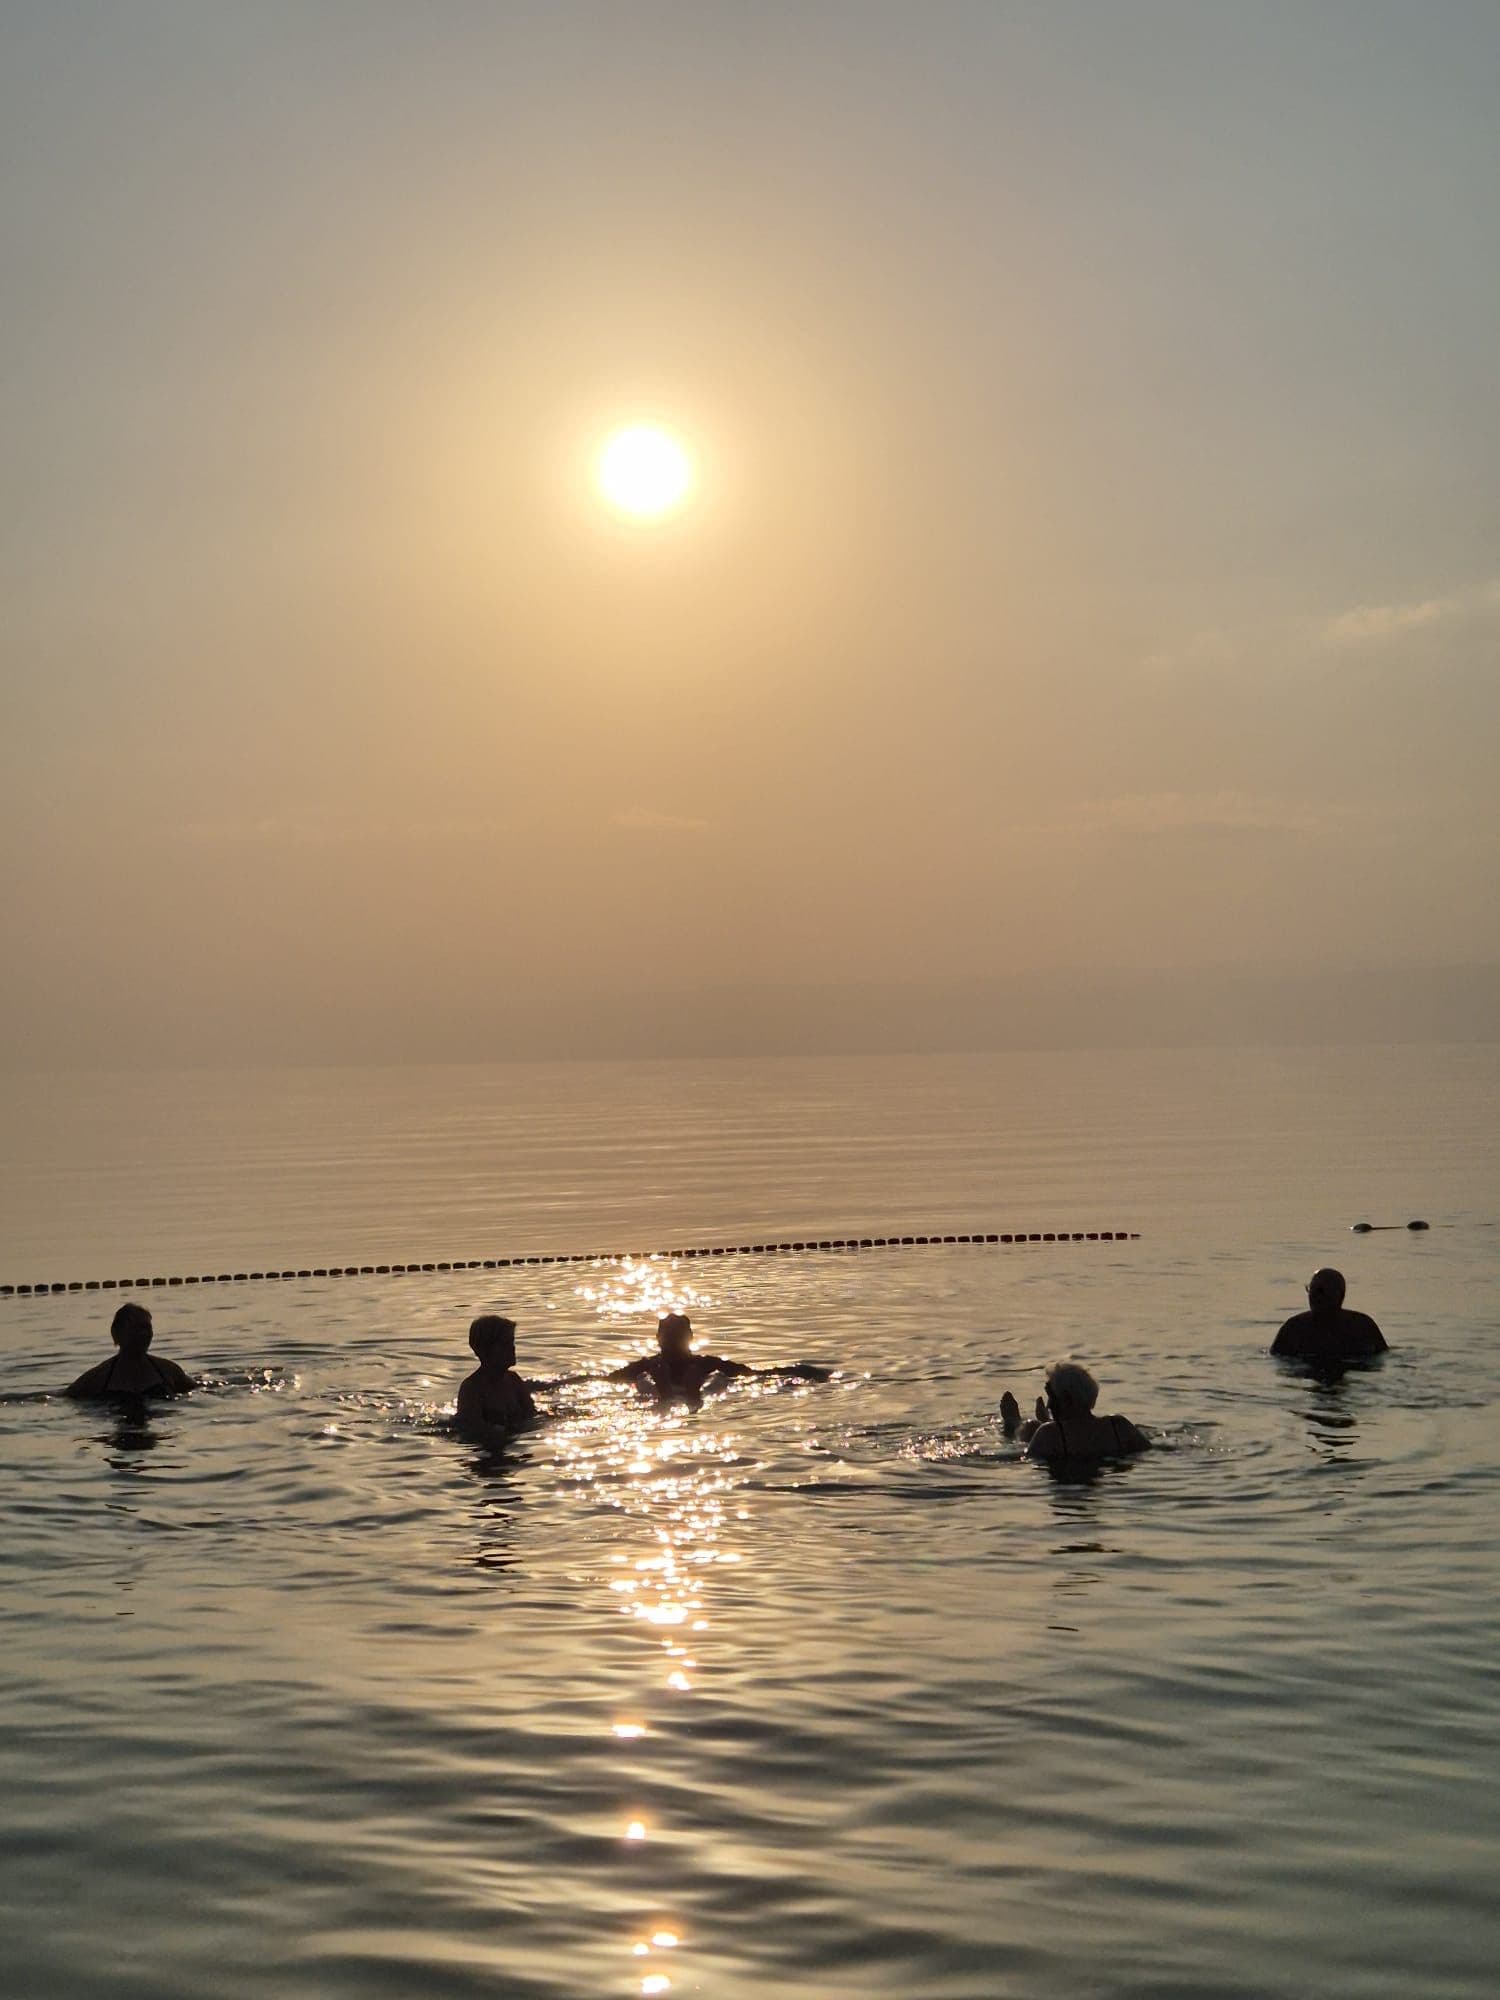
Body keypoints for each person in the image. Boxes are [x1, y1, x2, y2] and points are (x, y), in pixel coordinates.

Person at [607, 1312, 828, 1408]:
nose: (674, 1341)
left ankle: (671, 1395)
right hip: (697, 1387)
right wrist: (808, 1373)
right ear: (691, 1338)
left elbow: (602, 1380)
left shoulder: (646, 1368)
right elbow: (759, 1375)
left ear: (657, 1339)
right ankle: (687, 1395)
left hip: (658, 1392)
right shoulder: (706, 1365)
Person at [999, 1361, 1147, 1462]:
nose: (1050, 1405)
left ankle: (1013, 1424)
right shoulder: (1119, 1426)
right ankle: (1042, 1419)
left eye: (1052, 1397)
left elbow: (1026, 1459)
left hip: (1059, 1443)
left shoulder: (1048, 1434)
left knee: (1030, 1428)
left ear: (1067, 1399)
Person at [65, 1302, 193, 1399]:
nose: (143, 1334)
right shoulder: (98, 1377)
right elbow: (64, 1398)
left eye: (147, 1328)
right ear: (117, 1334)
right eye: (136, 1328)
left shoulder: (168, 1370)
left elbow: (197, 1389)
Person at [1271, 1268, 1387, 1360]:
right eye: (1312, 1290)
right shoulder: (1293, 1327)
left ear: (1340, 1295)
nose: (1315, 1296)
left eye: (1321, 1291)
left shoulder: (1363, 1325)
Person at [454, 1315, 538, 1440]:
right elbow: (472, 1430)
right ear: (485, 1350)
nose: (512, 1348)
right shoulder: (471, 1389)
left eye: (512, 1342)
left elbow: (532, 1415)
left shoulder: (514, 1380)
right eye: (505, 1344)